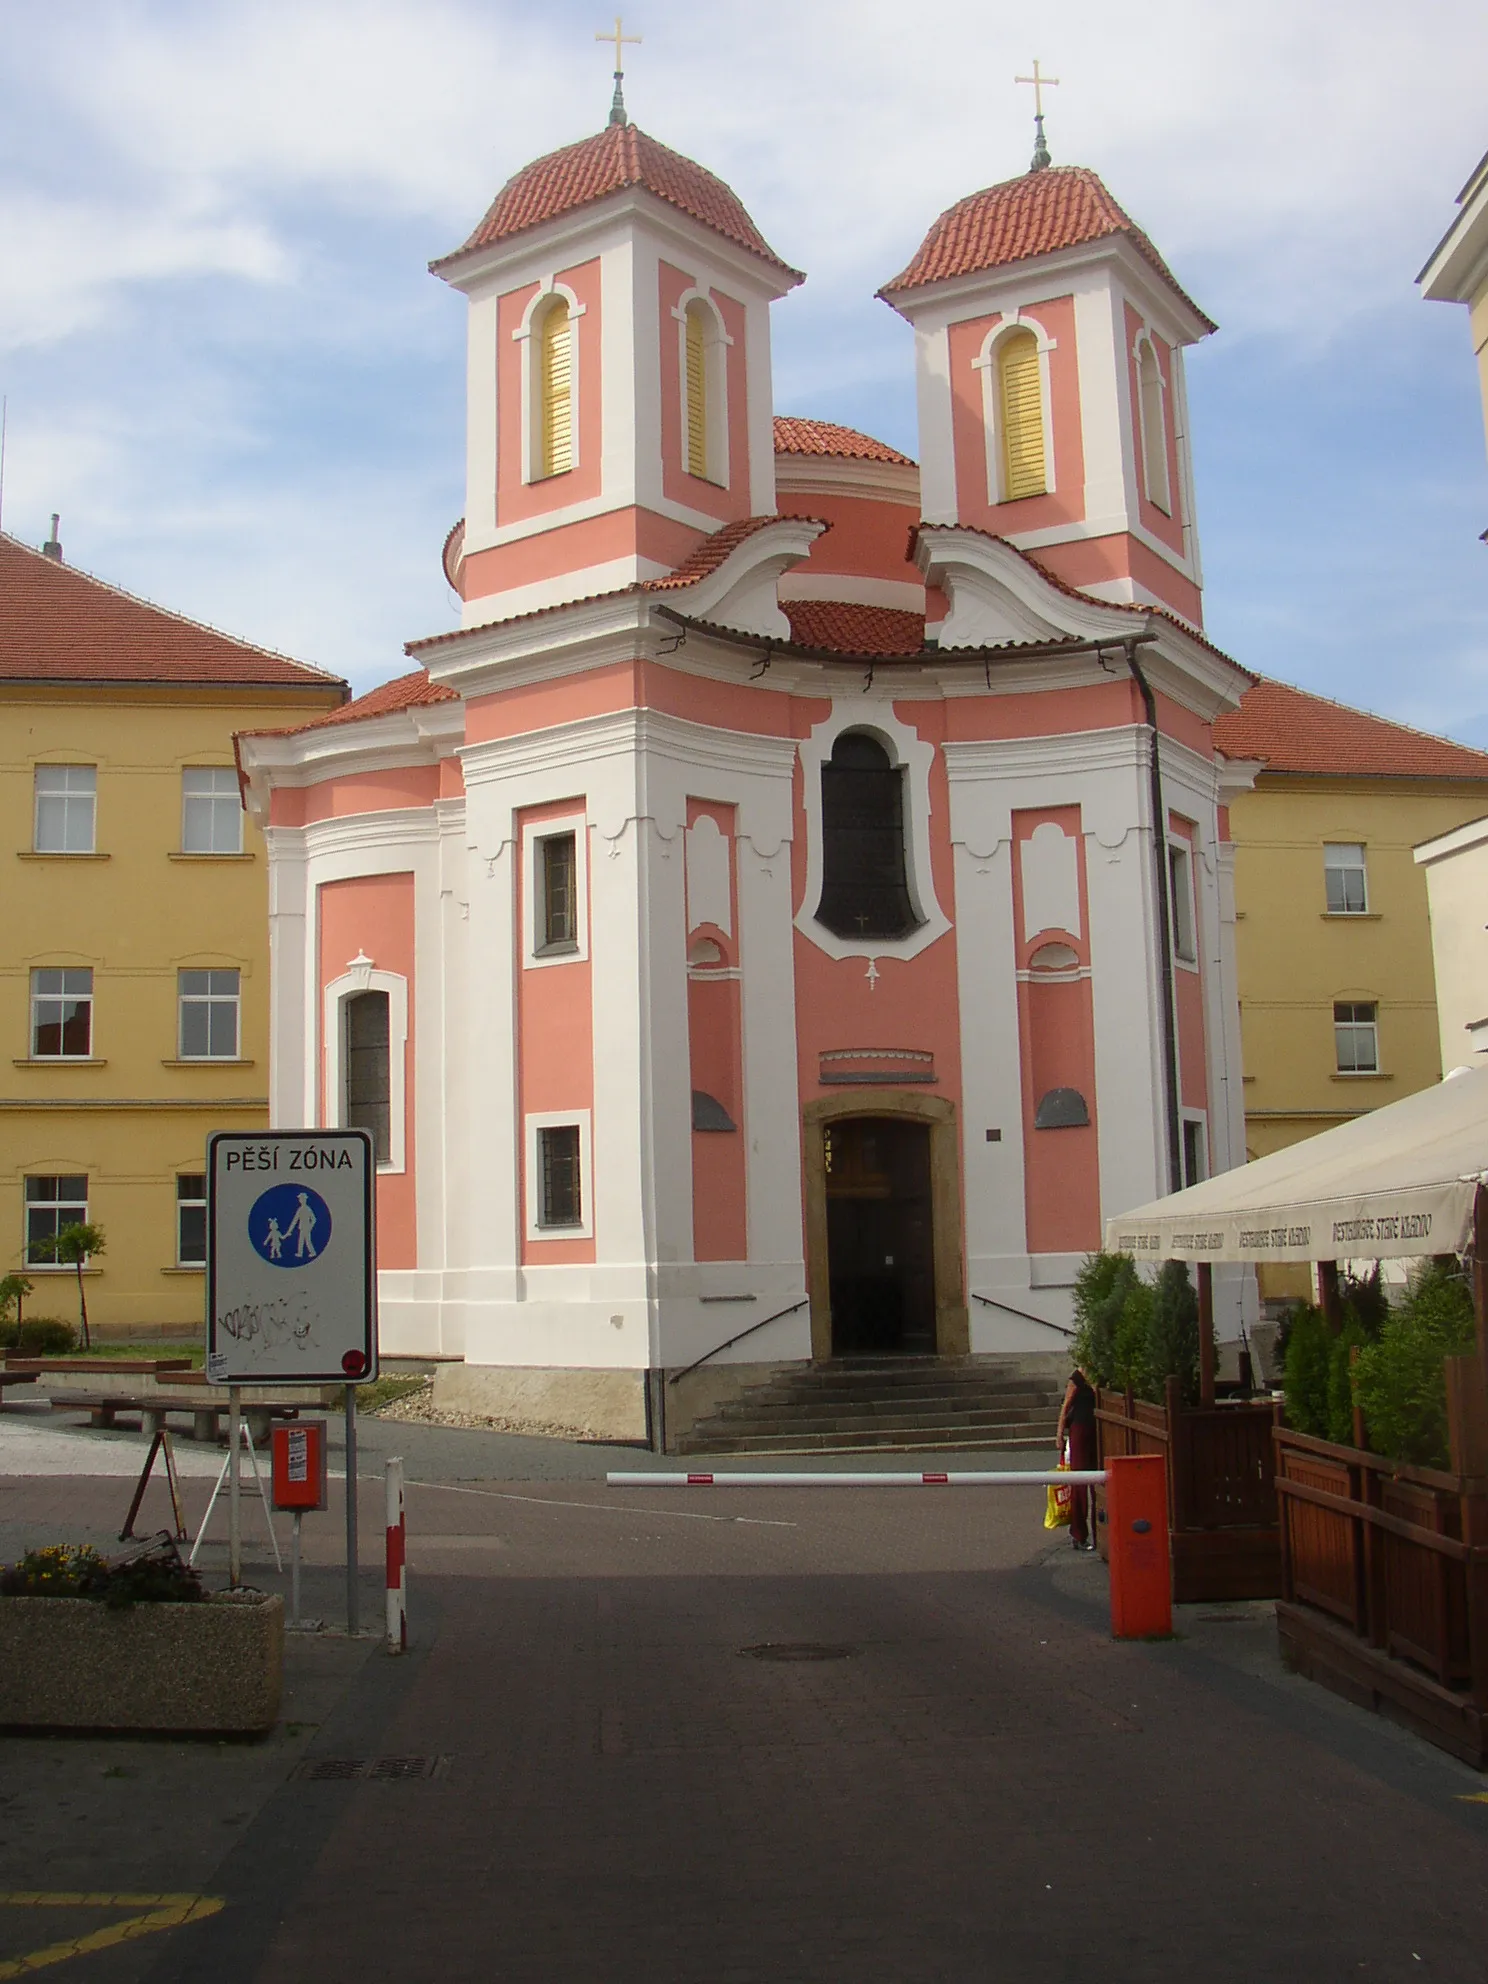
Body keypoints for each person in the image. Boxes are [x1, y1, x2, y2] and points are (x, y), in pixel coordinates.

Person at [1056, 1364, 1098, 1551]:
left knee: (1099, 1481)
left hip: (1096, 1431)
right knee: (1080, 1482)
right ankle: (1079, 1534)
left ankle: (1100, 1532)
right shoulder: (1076, 1379)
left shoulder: (1100, 1375)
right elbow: (1066, 1406)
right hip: (1080, 1430)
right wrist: (1059, 1434)